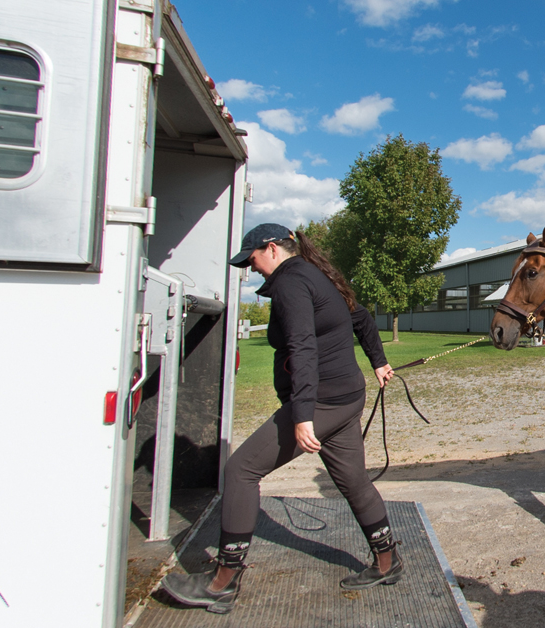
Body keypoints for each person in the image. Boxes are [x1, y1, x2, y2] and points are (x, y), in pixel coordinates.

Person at [161, 223, 402, 614]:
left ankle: (222, 582)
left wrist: (303, 414)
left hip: (321, 402)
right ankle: (388, 562)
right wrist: (378, 361)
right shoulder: (320, 275)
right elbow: (361, 318)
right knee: (354, 481)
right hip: (345, 396)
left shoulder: (292, 281)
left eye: (252, 259)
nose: (251, 268)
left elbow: (303, 346)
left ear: (272, 248)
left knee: (240, 470)